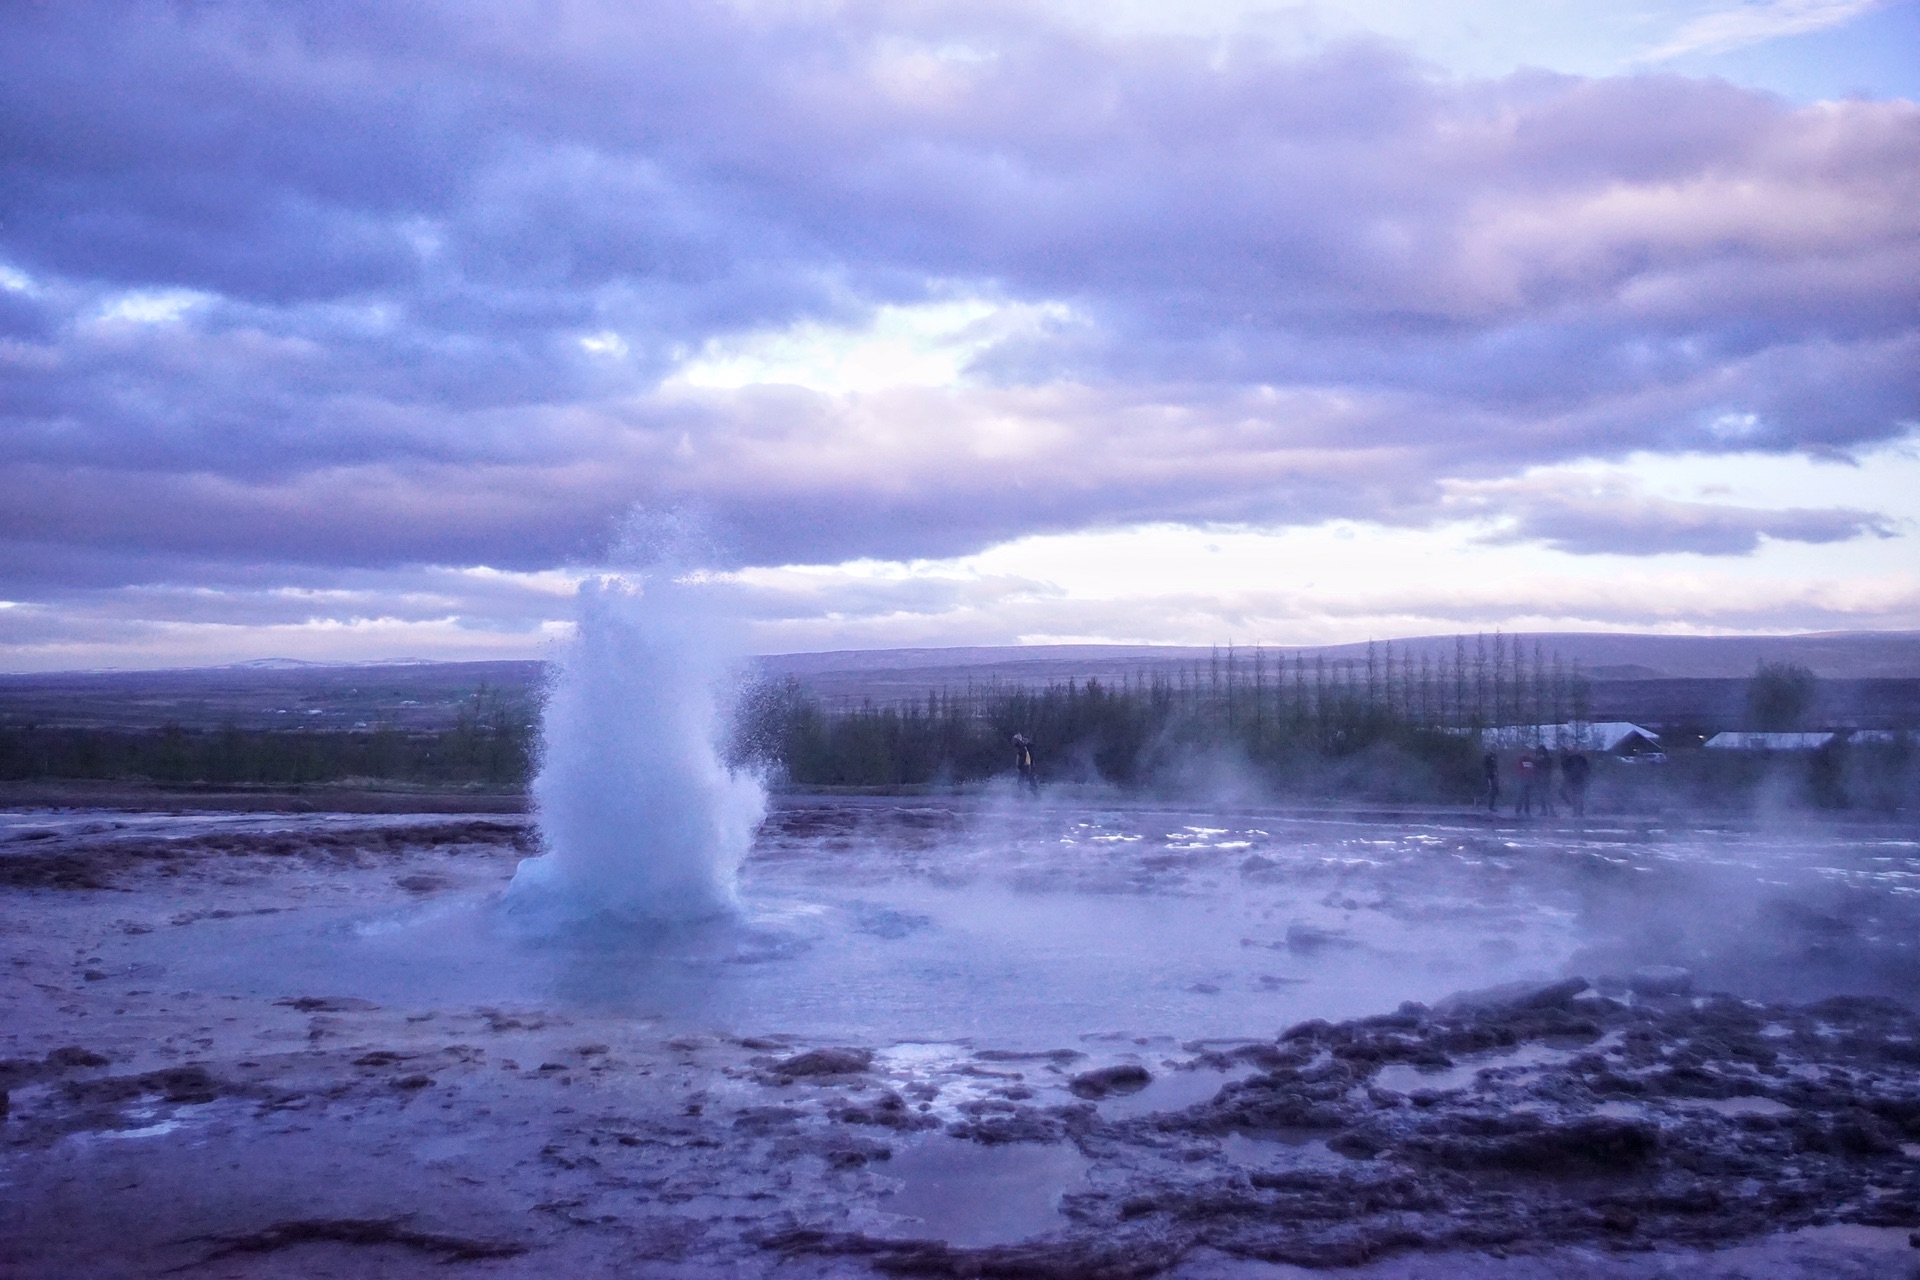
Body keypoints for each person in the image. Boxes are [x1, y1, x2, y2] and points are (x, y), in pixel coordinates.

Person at [1561, 749, 1591, 817]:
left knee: (1578, 797)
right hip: (1575, 780)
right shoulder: (1579, 759)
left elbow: (1587, 770)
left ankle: (1578, 812)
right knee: (1577, 797)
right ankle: (1577, 812)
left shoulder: (1579, 759)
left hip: (1578, 780)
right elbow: (1565, 769)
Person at [1532, 745, 1556, 817]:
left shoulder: (1547, 759)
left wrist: (1538, 761)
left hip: (1544, 779)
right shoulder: (1539, 759)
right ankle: (1545, 810)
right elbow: (1535, 768)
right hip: (1540, 779)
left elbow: (1547, 769)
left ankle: (1550, 811)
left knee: (1546, 795)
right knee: (1542, 796)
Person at [1514, 749, 1537, 816]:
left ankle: (1527, 810)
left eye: (1527, 752)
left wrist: (1531, 775)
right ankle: (1518, 810)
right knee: (1520, 795)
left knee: (1527, 796)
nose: (1526, 753)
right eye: (1524, 752)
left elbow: (1533, 769)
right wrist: (1525, 773)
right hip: (1522, 780)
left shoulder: (1530, 760)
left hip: (1529, 780)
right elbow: (1518, 769)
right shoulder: (1520, 760)